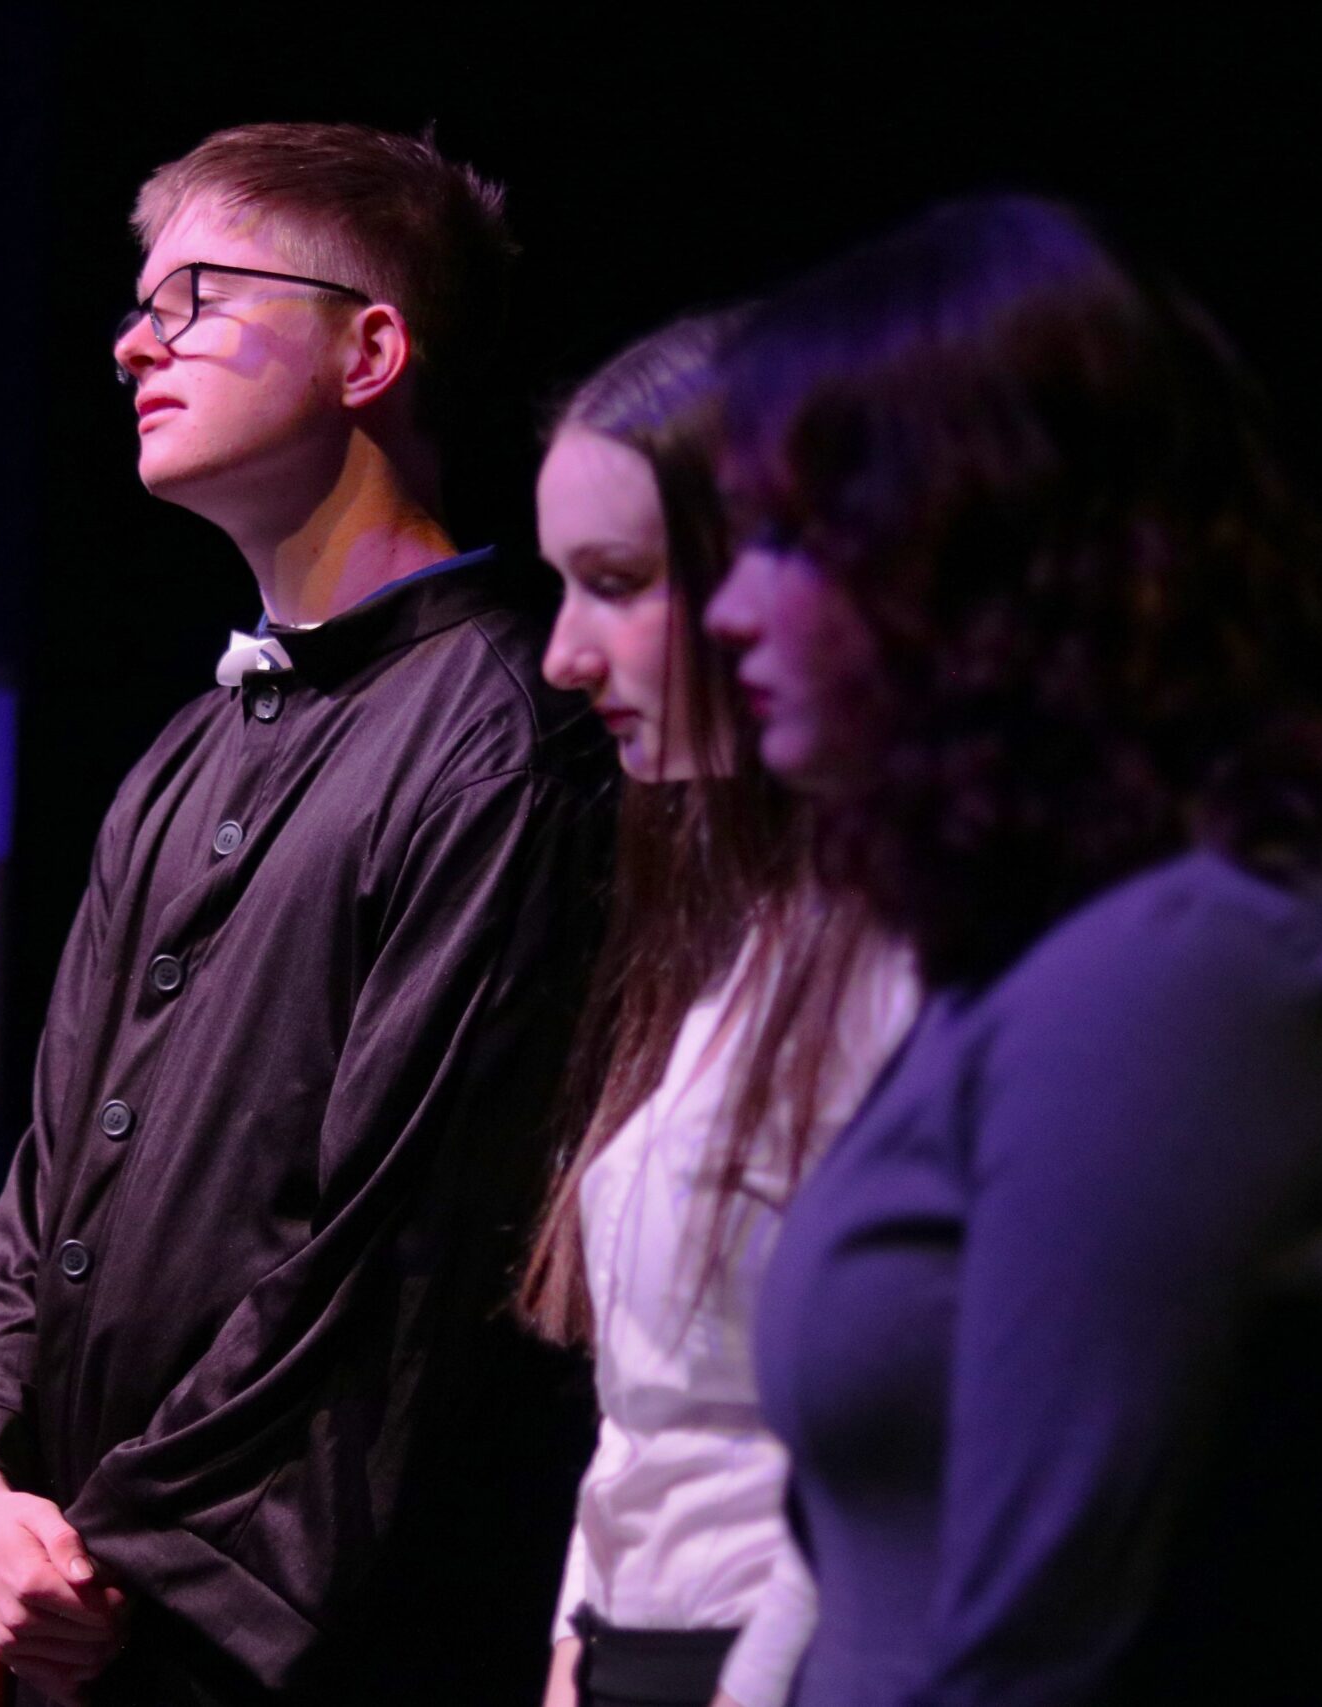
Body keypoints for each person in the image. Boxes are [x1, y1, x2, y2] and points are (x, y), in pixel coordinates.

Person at [705, 195, 1322, 1704]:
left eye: (789, 538)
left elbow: (1057, 1665)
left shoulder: (1191, 985)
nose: (729, 609)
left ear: (983, 554)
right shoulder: (1044, 966)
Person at [0, 121, 618, 1705]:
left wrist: (119, 1546)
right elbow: (53, 1164)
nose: (131, 342)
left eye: (193, 298)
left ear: (371, 347)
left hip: (282, 1627)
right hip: (66, 1578)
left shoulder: (499, 736)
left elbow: (390, 1247)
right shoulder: (188, 744)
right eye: (137, 302)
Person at [520, 316, 918, 1707]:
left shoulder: (909, 956)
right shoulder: (730, 930)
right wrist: (577, 1641)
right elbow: (648, 1419)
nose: (566, 655)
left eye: (617, 582)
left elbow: (884, 1440)